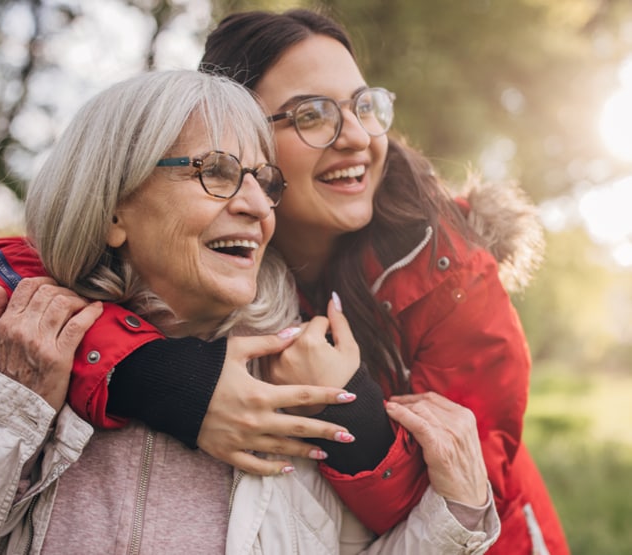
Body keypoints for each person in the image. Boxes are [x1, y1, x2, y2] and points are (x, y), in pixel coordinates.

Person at [0, 69, 500, 553]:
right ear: (113, 209)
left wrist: (459, 513)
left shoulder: (301, 386)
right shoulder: (5, 355)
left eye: (265, 182)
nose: (258, 207)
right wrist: (4, 415)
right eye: (215, 172)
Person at [195, 8, 569, 555]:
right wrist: (179, 385)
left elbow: (462, 496)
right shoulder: (204, 247)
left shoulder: (451, 274)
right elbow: (43, 278)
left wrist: (344, 401)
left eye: (363, 106)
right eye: (313, 115)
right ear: (239, 141)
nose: (357, 137)